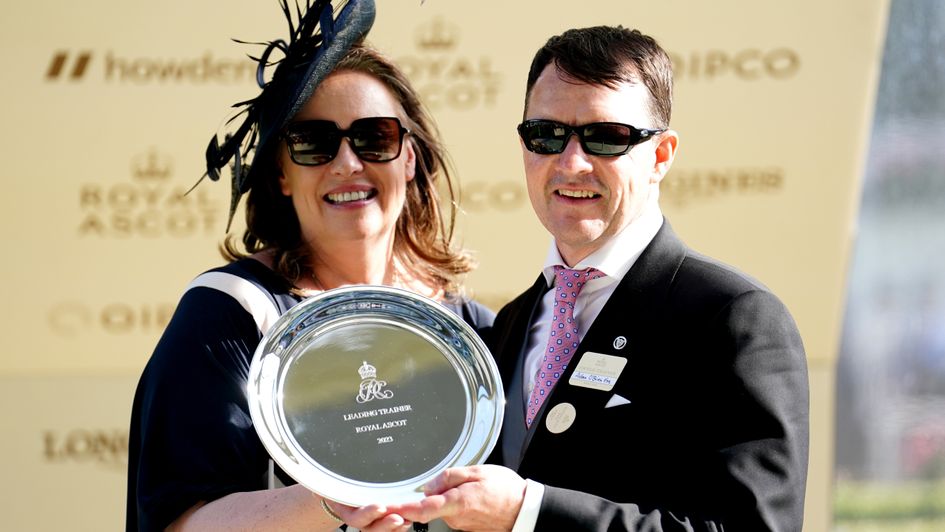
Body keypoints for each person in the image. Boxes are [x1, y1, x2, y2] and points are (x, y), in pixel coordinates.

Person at [381, 25, 810, 531]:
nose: (571, 162)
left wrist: (530, 512)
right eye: (547, 135)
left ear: (662, 156)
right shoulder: (513, 322)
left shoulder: (732, 318)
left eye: (606, 137)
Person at [125, 1, 492, 531]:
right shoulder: (231, 313)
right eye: (314, 143)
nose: (347, 162)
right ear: (281, 173)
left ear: (409, 158)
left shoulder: (469, 332)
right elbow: (180, 522)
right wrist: (337, 500)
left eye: (375, 137)